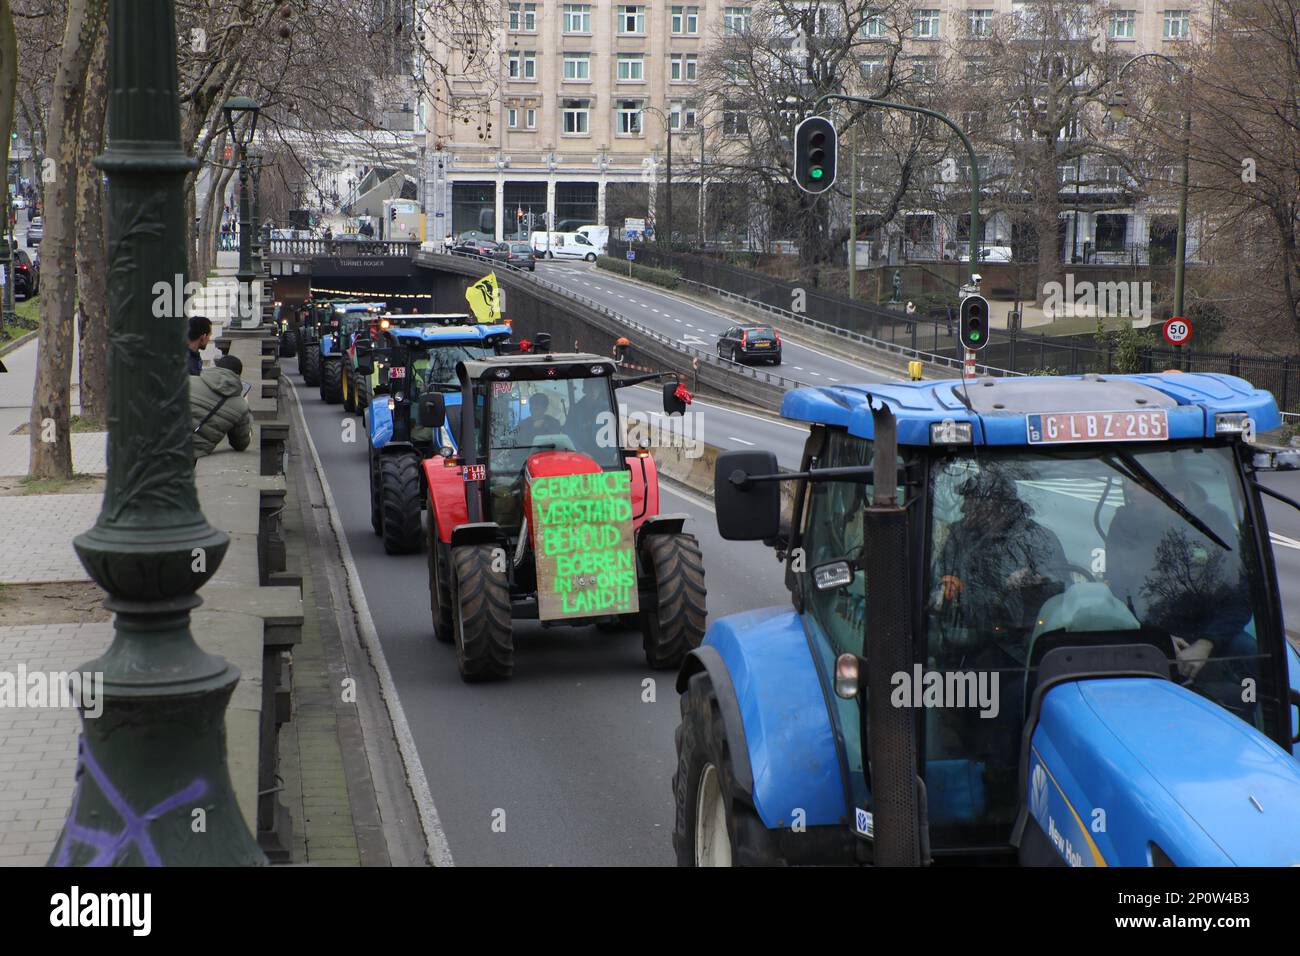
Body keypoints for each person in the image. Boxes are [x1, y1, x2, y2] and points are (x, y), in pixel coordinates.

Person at [935, 470, 1071, 640]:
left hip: (1025, 639)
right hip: (969, 640)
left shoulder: (1037, 539)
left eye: (969, 500)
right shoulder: (959, 538)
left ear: (991, 505)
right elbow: (940, 579)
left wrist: (1035, 582)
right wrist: (944, 588)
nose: (963, 508)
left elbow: (1063, 592)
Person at [190, 354, 252, 458]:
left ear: (216, 367)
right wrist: (246, 408)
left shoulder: (189, 380)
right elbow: (241, 444)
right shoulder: (240, 405)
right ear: (238, 376)